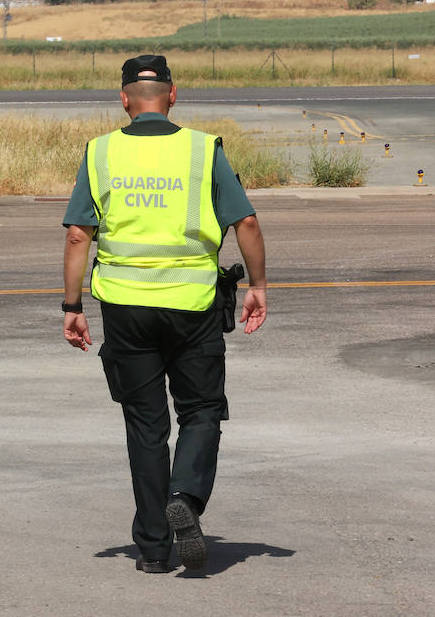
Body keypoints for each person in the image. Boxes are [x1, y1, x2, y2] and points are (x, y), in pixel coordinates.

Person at [60, 54, 268, 573]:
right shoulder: (203, 149)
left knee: (145, 426)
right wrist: (258, 285)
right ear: (173, 96)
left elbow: (77, 234)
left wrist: (71, 305)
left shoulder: (100, 151)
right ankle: (187, 497)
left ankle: (154, 549)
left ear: (124, 99)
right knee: (201, 411)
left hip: (126, 309)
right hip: (192, 305)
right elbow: (245, 221)